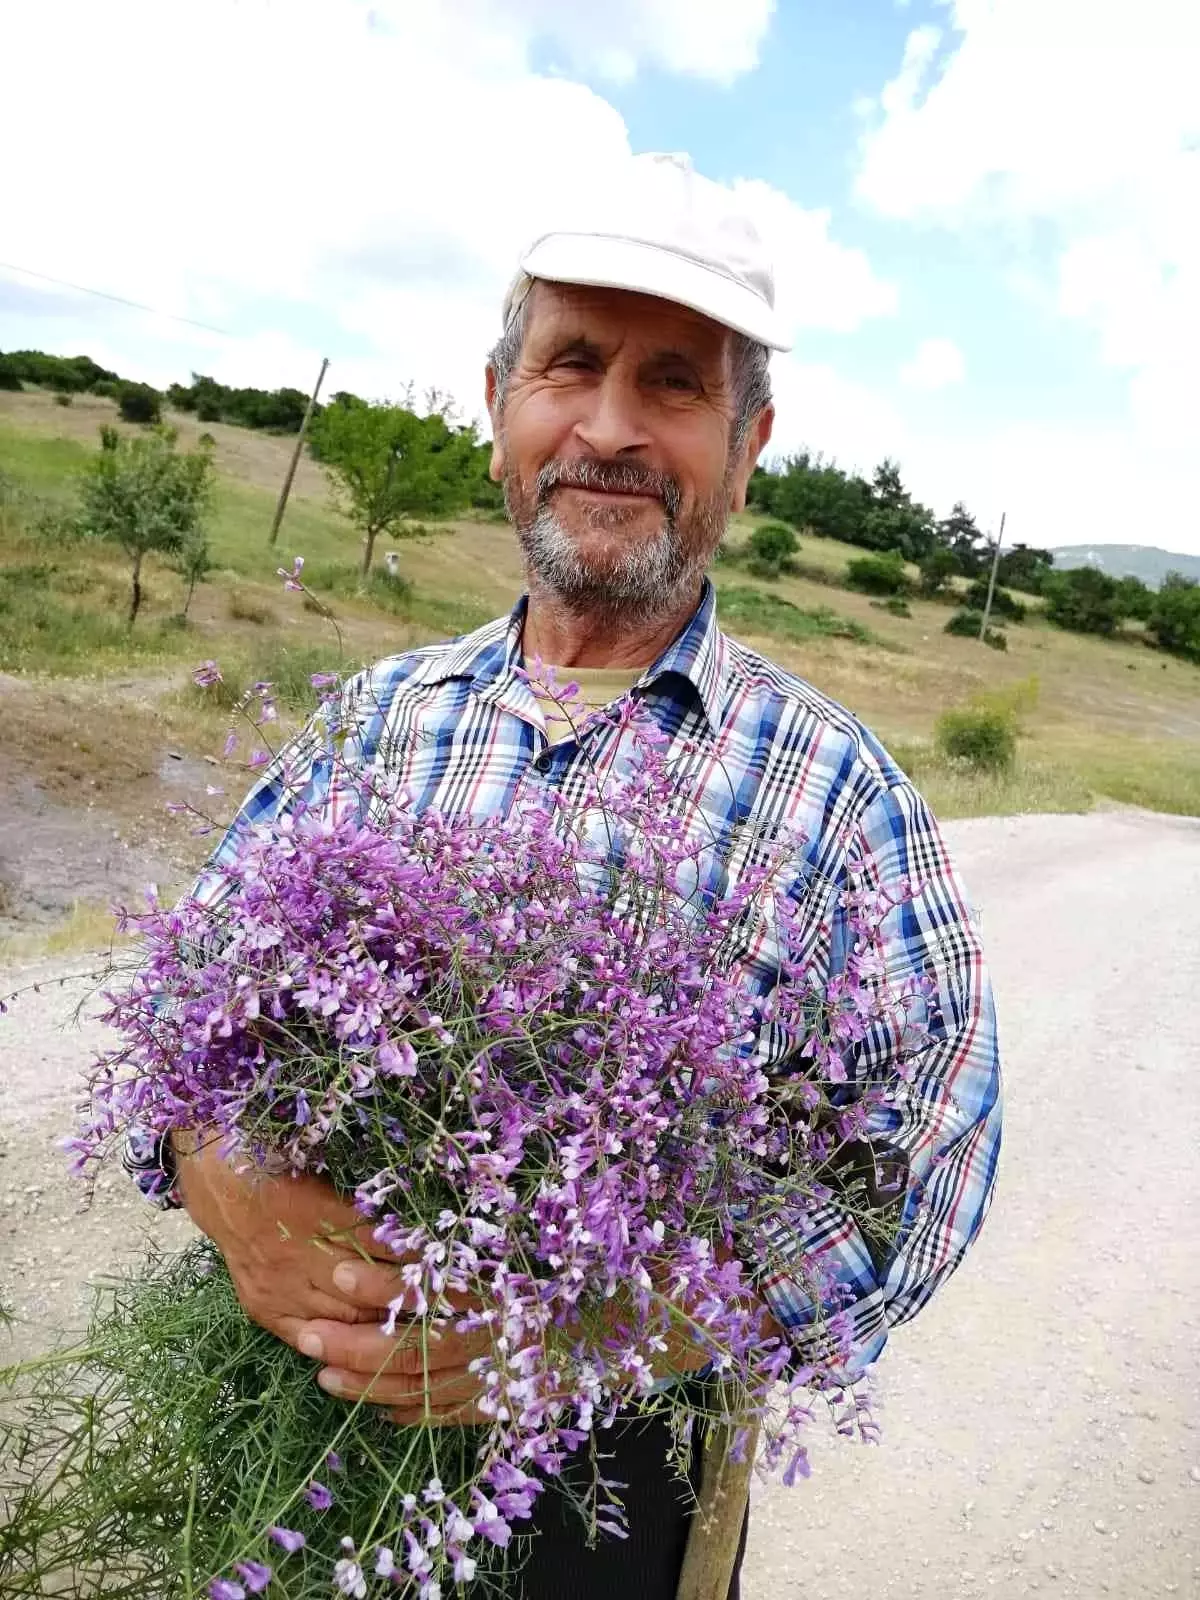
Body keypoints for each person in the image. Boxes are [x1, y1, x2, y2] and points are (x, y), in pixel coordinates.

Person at [128, 152, 1002, 1598]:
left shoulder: (837, 793)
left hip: (607, 1503)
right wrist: (226, 1190)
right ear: (498, 411)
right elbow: (178, 1033)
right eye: (570, 365)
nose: (608, 427)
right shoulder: (372, 722)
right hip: (286, 1460)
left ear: (747, 444)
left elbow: (932, 1160)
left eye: (672, 385)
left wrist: (618, 1321)